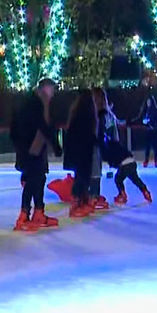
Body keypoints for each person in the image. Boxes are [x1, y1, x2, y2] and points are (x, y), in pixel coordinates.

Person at [10, 78, 61, 231]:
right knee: (33, 180)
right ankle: (24, 216)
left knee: (39, 178)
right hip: (31, 148)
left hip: (34, 148)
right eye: (51, 90)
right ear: (44, 89)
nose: (53, 94)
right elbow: (43, 126)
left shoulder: (36, 103)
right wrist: (56, 146)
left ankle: (39, 212)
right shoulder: (35, 104)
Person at [63, 89, 100, 218]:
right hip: (83, 152)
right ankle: (77, 203)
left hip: (76, 152)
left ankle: (80, 201)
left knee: (81, 176)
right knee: (82, 177)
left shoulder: (75, 114)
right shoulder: (88, 115)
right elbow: (88, 135)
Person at [139, 96, 157, 167]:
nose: (148, 103)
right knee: (147, 147)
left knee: (155, 147)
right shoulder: (146, 110)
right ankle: (146, 160)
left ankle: (156, 160)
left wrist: (155, 122)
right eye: (147, 102)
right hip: (148, 131)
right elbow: (142, 118)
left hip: (155, 131)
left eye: (149, 102)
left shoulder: (155, 110)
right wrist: (144, 121)